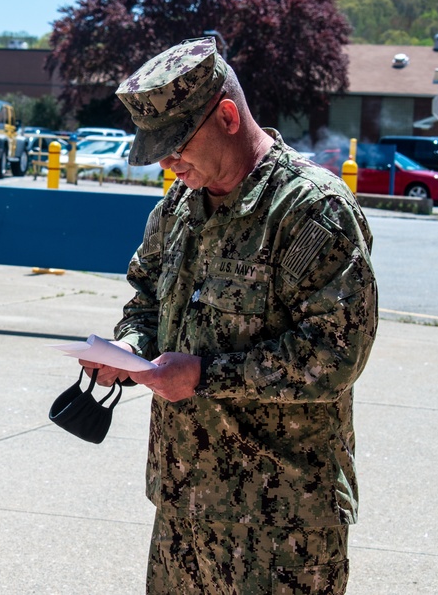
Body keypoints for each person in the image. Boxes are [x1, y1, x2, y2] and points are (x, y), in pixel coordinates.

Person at [77, 37, 378, 594]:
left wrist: (205, 375)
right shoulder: (177, 210)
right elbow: (144, 296)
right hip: (183, 510)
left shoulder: (309, 209)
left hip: (281, 526)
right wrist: (129, 352)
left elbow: (336, 353)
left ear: (227, 116)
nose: (167, 162)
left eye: (176, 144)